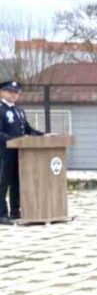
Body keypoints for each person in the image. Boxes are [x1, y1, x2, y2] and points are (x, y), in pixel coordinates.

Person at [0, 80, 44, 225]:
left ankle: (15, 212)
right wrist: (15, 140)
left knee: (16, 182)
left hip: (20, 152)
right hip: (4, 153)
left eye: (16, 93)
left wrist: (43, 135)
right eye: (10, 92)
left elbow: (27, 129)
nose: (14, 95)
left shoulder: (19, 111)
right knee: (3, 183)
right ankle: (2, 214)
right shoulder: (1, 110)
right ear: (2, 92)